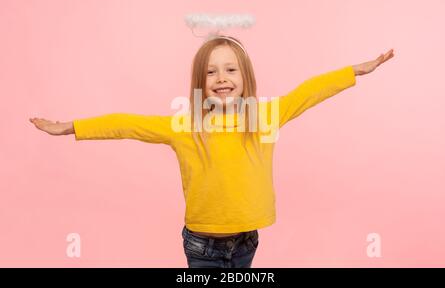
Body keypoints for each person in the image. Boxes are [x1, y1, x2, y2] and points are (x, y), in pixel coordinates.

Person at [29, 36, 394, 268]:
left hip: (247, 239)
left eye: (231, 69)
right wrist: (72, 126)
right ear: (200, 84)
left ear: (245, 77)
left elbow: (308, 91)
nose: (222, 77)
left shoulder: (264, 116)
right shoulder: (187, 126)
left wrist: (354, 71)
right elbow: (127, 123)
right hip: (202, 244)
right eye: (211, 72)